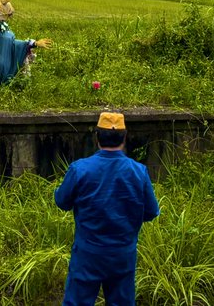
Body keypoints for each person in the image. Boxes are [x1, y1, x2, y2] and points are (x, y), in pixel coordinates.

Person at [54, 112, 160, 306]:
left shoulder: (80, 169)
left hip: (87, 253)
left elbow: (62, 202)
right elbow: (152, 212)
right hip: (122, 253)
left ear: (97, 137)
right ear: (124, 137)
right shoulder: (138, 171)